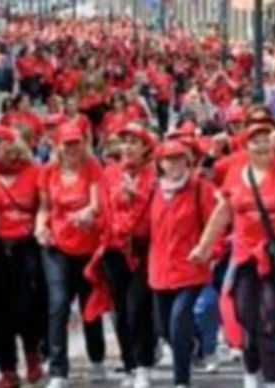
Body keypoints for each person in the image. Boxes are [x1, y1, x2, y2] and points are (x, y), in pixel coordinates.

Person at [198, 121, 275, 388]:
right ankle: (251, 369)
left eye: (266, 139)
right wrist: (204, 246)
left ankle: (272, 379)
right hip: (245, 257)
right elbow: (222, 212)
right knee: (246, 317)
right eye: (255, 140)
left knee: (270, 318)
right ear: (245, 147)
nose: (262, 144)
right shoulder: (236, 174)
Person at [85, 123, 157, 388]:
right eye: (125, 142)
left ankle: (143, 364)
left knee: (138, 306)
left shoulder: (154, 176)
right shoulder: (109, 175)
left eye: (135, 142)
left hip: (144, 248)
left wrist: (136, 196)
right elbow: (101, 208)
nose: (128, 147)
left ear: (146, 149)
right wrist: (90, 219)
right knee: (121, 309)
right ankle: (130, 364)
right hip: (114, 248)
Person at [0, 125, 45, 388]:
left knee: (27, 307)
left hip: (27, 247)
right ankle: (8, 369)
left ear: (9, 143)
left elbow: (45, 206)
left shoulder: (35, 172)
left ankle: (32, 355)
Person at [35, 123, 106, 388]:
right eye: (67, 143)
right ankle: (58, 370)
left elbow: (97, 203)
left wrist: (88, 212)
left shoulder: (92, 168)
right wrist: (40, 226)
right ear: (58, 146)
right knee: (58, 304)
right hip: (57, 246)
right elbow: (43, 207)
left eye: (76, 142)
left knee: (91, 306)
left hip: (88, 246)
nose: (72, 148)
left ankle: (97, 358)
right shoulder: (48, 172)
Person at [148, 139, 218, 388]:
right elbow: (140, 226)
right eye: (169, 159)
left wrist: (209, 251)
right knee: (164, 327)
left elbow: (215, 223)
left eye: (179, 158)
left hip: (190, 268)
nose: (175, 163)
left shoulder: (200, 188)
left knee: (179, 320)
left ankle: (181, 380)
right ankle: (193, 342)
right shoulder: (152, 190)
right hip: (159, 270)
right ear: (160, 164)